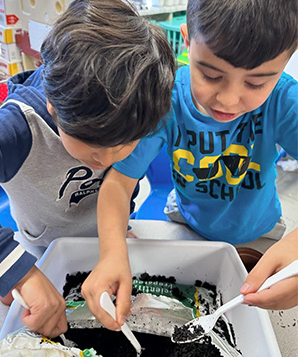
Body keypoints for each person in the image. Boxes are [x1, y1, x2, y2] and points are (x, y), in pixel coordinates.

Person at [80, 0, 298, 331]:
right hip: (188, 224)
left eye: (256, 84)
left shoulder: (284, 100)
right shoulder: (166, 99)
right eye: (210, 74)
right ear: (187, 40)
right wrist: (111, 251)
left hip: (260, 232)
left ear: (284, 65)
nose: (227, 99)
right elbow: (118, 183)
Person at [0, 0, 175, 337]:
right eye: (92, 149)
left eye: (127, 143)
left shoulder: (141, 106)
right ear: (52, 104)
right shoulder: (17, 128)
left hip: (113, 232)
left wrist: (115, 242)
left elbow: (122, 184)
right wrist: (16, 269)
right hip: (41, 244)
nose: (109, 160)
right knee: (16, 301)